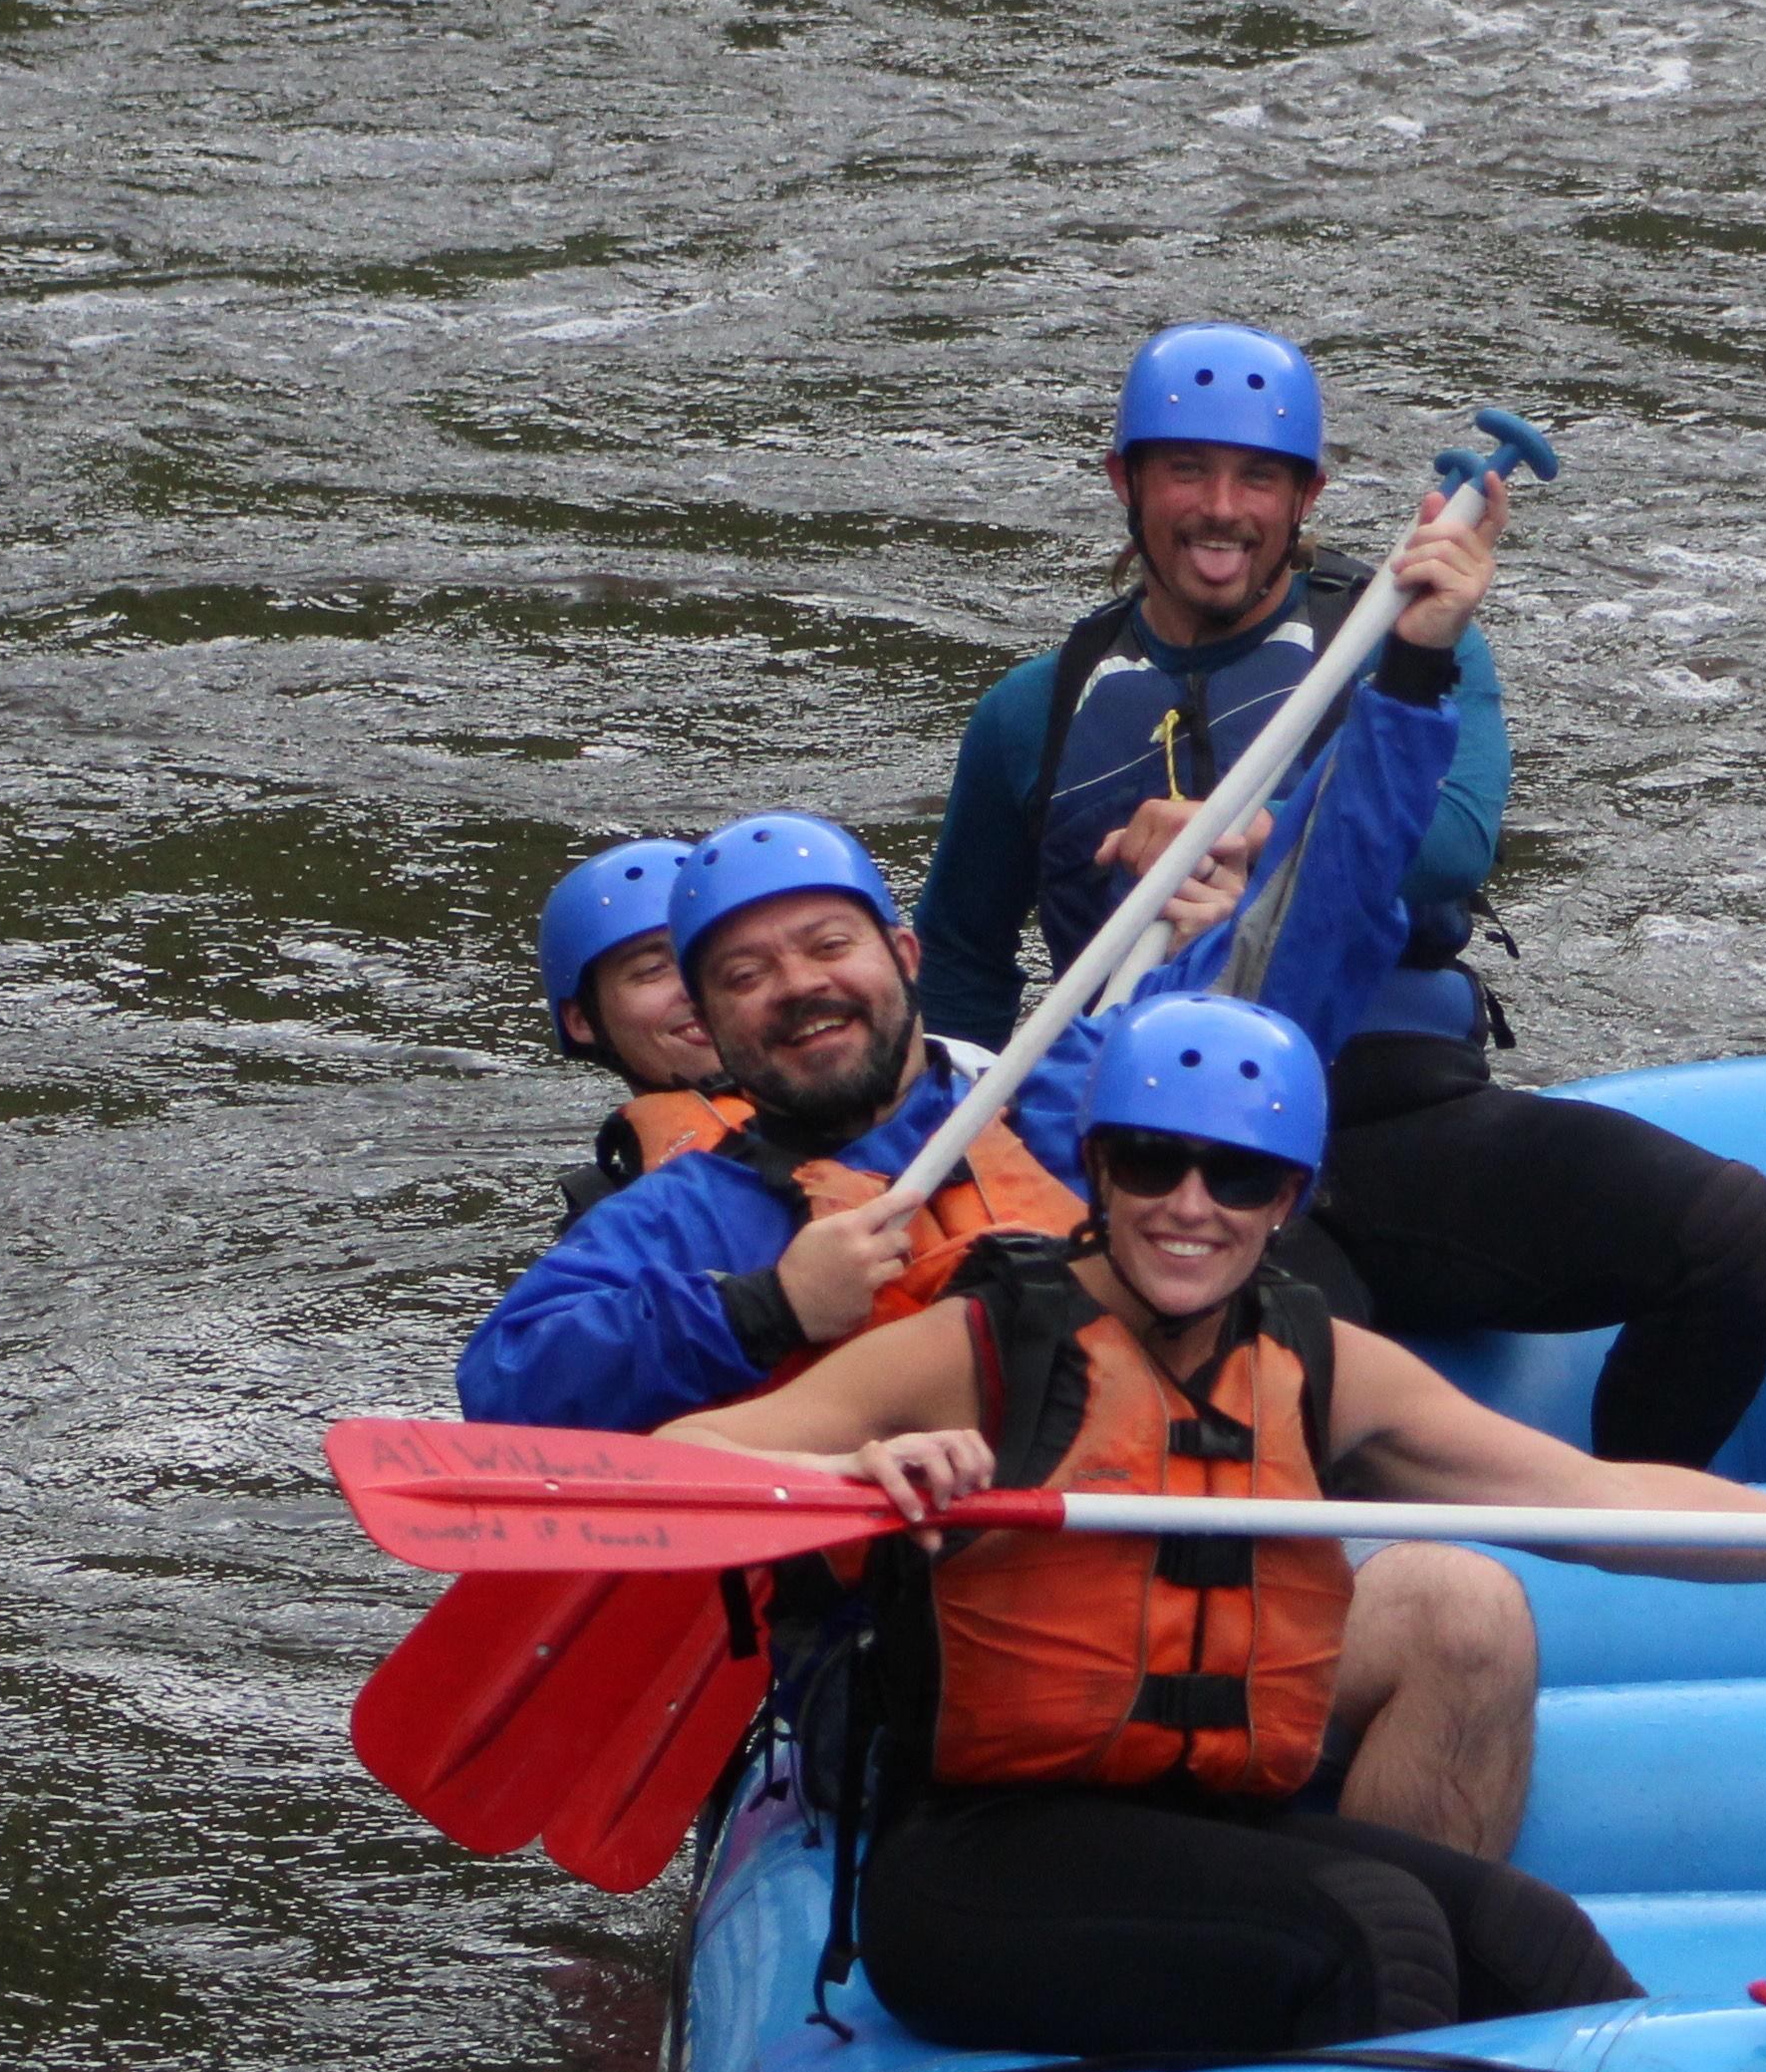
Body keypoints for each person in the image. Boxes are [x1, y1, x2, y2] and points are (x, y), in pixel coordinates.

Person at [672, 999, 1766, 2064]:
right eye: (1154, 1162)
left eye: (1240, 1177)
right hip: (980, 1864)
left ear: (1291, 1200)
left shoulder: (1320, 1363)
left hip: (1202, 1832)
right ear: (1097, 1166)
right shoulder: (975, 1345)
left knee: (1531, 1937)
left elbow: (1595, 1499)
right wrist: (862, 1461)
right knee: (1374, 1940)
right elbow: (685, 1464)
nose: (1191, 1206)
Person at [458, 463, 1495, 1439]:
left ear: (905, 956)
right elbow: (506, 1380)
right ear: (713, 1020)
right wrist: (766, 1308)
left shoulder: (1078, 1099)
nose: (800, 987)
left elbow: (1312, 913)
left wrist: (1411, 666)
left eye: (829, 945)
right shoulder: (692, 1217)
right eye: (745, 974)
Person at [916, 322, 1766, 1466]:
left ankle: (1631, 1547)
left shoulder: (1412, 640)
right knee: (1288, 1383)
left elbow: (1448, 854)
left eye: (1257, 479)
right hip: (1171, 1148)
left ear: (1305, 498)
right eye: (1185, 470)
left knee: (1731, 1232)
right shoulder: (1034, 713)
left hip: (1392, 1108)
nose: (1220, 508)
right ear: (1125, 484)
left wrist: (1253, 835)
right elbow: (965, 970)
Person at [534, 836, 736, 1222]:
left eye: (707, 953)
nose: (695, 988)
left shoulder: (866, 1108)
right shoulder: (613, 1228)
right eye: (651, 970)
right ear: (582, 1021)